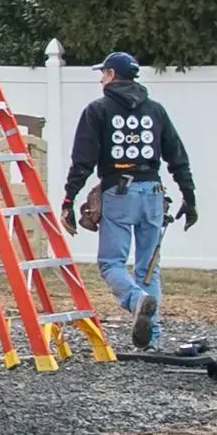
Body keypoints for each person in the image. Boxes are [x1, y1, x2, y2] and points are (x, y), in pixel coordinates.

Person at [62, 52, 196, 351]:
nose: (100, 78)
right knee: (149, 267)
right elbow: (177, 156)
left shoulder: (98, 109)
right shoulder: (156, 110)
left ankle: (136, 301)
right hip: (153, 192)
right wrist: (189, 197)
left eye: (103, 73)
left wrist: (69, 199)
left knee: (111, 263)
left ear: (111, 74)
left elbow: (82, 160)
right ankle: (151, 338)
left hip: (119, 192)